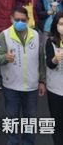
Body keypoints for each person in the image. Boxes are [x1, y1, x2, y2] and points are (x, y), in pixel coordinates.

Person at [0, 7, 46, 145]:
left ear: (28, 20)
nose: (20, 22)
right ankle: (13, 142)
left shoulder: (35, 35)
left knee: (30, 118)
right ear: (11, 19)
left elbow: (41, 59)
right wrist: (5, 57)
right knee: (12, 118)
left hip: (31, 86)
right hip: (11, 86)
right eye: (17, 20)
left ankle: (28, 142)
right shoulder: (4, 35)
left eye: (23, 20)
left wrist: (42, 81)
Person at [45, 12, 63, 145]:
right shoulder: (51, 42)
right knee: (58, 125)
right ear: (56, 25)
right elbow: (49, 65)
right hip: (56, 90)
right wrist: (55, 59)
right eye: (61, 24)